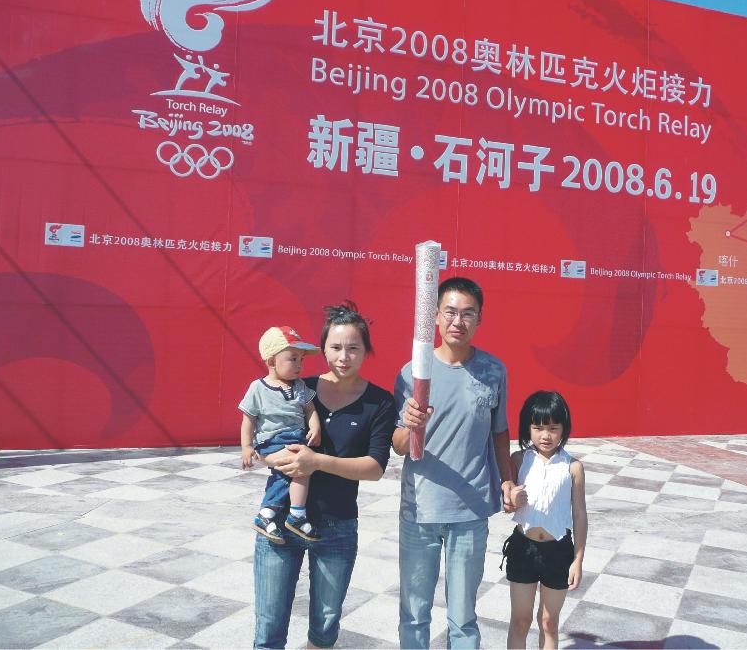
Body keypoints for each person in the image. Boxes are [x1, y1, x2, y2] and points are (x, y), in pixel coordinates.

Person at [251, 303, 398, 650]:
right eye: (335, 347)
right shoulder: (299, 388)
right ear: (323, 349)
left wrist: (317, 462)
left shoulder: (379, 402)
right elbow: (260, 436)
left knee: (325, 627)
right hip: (280, 523)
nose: (344, 357)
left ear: (366, 350)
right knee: (269, 628)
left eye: (353, 348)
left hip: (337, 527)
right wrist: (267, 456)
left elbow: (375, 467)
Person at [392, 276, 516, 649]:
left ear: (479, 319)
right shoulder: (413, 372)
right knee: (414, 614)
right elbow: (398, 445)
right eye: (450, 312)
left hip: (470, 511)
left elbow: (500, 433)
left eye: (467, 313)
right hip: (420, 510)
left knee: (463, 618)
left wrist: (507, 481)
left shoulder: (493, 371)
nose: (457, 321)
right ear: (435, 316)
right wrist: (410, 425)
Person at [503, 391, 588, 650]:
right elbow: (505, 503)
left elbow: (580, 515)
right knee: (520, 621)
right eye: (538, 428)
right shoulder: (518, 460)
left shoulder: (573, 467)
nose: (545, 435)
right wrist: (511, 500)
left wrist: (578, 559)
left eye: (553, 428)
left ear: (564, 428)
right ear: (528, 428)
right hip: (523, 548)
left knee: (549, 622)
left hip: (558, 551)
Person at [240, 326, 323, 542]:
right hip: (272, 440)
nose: (299, 365)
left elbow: (310, 409)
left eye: (301, 359)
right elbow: (248, 420)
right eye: (293, 359)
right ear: (271, 361)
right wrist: (247, 447)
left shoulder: (299, 386)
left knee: (289, 473)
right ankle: (295, 514)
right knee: (300, 467)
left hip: (297, 438)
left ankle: (269, 515)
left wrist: (315, 427)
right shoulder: (258, 388)